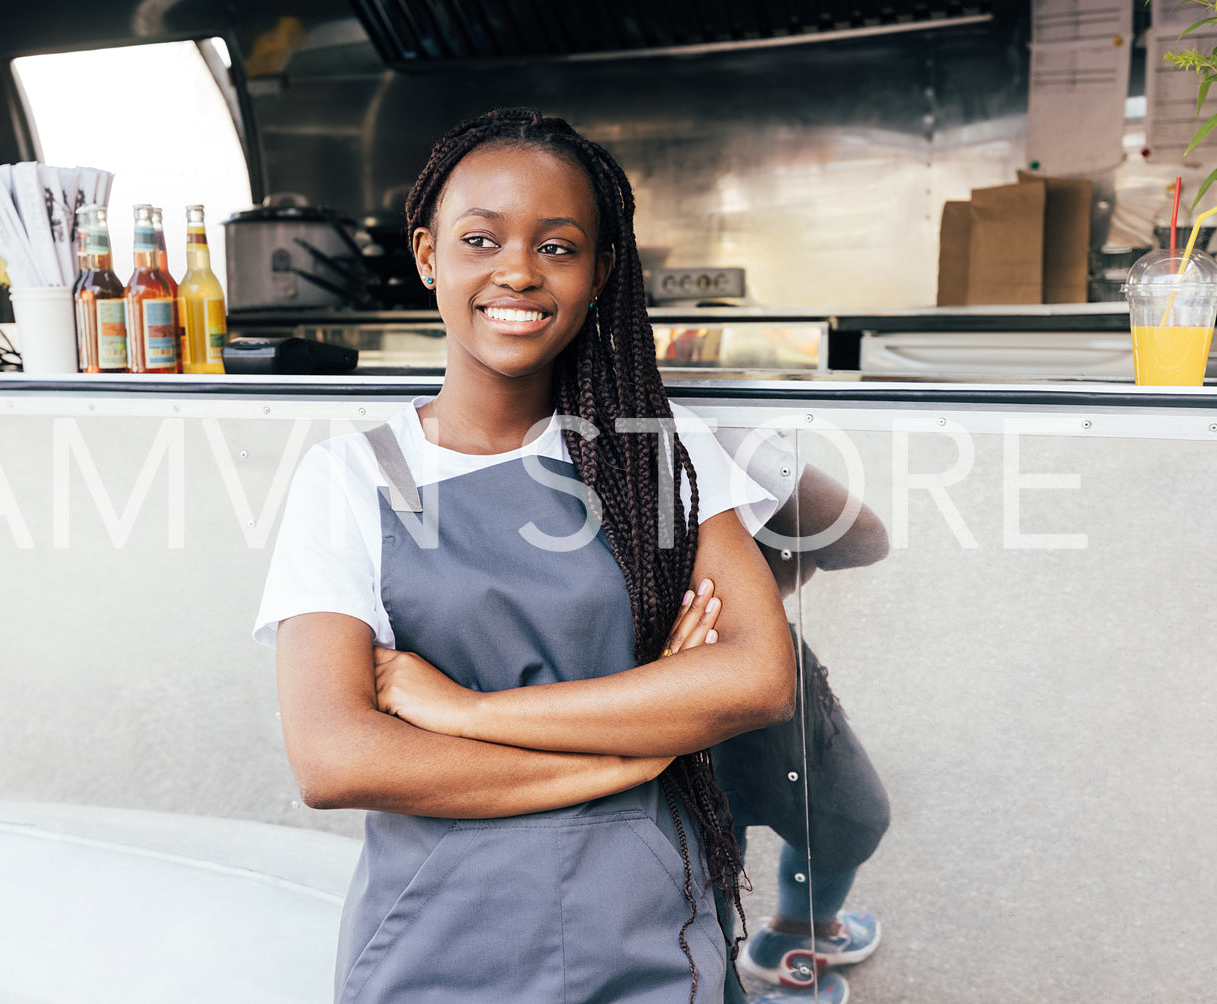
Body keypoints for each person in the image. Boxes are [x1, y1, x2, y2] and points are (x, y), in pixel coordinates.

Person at [254, 107, 807, 1002]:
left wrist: (461, 709)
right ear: (428, 253)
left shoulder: (659, 451)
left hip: (650, 936)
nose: (516, 269)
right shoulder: (350, 476)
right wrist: (633, 755)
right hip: (438, 944)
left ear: (599, 273)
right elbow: (337, 759)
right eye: (480, 238)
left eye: (557, 247)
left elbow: (753, 680)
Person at [710, 429, 893, 1003]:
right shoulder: (705, 424)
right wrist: (763, 582)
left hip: (643, 678)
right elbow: (860, 538)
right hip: (733, 659)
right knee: (840, 819)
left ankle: (791, 936)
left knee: (706, 852)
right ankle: (752, 967)